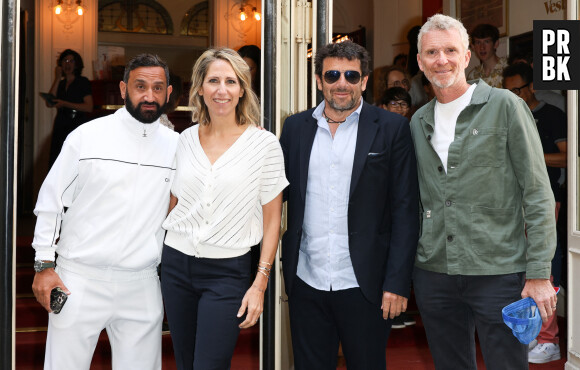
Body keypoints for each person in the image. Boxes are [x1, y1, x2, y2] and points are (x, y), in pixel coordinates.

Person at [410, 14, 558, 369]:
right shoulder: (418, 121)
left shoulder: (506, 106)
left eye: (450, 50)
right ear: (420, 61)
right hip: (435, 272)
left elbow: (537, 192)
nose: (441, 60)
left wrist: (538, 273)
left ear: (466, 57)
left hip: (498, 270)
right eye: (432, 52)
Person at [31, 54, 179, 369]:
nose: (149, 96)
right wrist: (44, 264)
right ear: (124, 89)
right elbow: (51, 201)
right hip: (79, 279)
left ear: (168, 94)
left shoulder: (178, 146)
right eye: (140, 86)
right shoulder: (87, 137)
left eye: (157, 87)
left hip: (141, 284)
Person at [280, 40, 419, 369]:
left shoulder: (392, 128)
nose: (342, 83)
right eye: (332, 75)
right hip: (306, 280)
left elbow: (405, 210)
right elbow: (276, 192)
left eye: (351, 76)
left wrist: (397, 283)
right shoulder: (295, 128)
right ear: (319, 80)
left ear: (365, 81)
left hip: (365, 284)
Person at [161, 47, 288, 370]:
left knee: (210, 364)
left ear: (242, 89)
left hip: (227, 272)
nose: (222, 90)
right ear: (200, 88)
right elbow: (171, 203)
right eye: (213, 80)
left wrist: (260, 283)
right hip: (175, 266)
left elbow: (273, 220)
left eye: (231, 81)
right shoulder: (184, 140)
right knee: (185, 363)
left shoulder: (264, 144)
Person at [503, 62, 567, 364]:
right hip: (508, 203)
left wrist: (530, 154)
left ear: (531, 87)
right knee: (514, 270)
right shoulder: (505, 114)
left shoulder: (551, 115)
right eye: (507, 89)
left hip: (544, 200)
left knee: (541, 269)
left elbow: (568, 157)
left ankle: (547, 339)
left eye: (517, 89)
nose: (512, 94)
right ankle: (527, 333)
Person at [45, 49, 94, 167]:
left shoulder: (82, 81)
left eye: (71, 61)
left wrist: (64, 103)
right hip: (61, 124)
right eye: (65, 60)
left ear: (76, 64)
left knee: (74, 161)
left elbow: (89, 107)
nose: (68, 64)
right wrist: (57, 78)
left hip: (77, 124)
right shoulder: (60, 84)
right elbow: (50, 103)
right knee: (57, 159)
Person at [466, 23, 508, 88]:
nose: (482, 47)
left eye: (486, 42)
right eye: (478, 42)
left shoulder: (507, 67)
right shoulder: (473, 76)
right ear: (473, 47)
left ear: (496, 44)